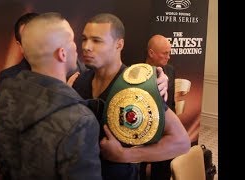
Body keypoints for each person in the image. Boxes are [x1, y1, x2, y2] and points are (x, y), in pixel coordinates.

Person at [72, 13, 190, 180]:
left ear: (119, 44)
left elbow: (181, 142)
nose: (86, 46)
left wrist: (124, 155)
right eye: (84, 39)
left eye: (97, 40)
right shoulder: (80, 80)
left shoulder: (137, 86)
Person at [0, 12, 102, 180]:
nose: (77, 47)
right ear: (62, 53)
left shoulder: (6, 97)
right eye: (72, 40)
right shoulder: (80, 120)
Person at [0, 12, 87, 91]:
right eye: (28, 39)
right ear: (20, 45)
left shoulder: (78, 69)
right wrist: (64, 93)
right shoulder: (9, 78)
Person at [140, 34, 176, 180]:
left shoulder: (171, 70)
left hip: (165, 129)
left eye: (169, 53)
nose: (168, 57)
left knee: (163, 169)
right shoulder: (136, 73)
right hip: (143, 129)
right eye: (165, 53)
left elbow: (171, 101)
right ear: (151, 53)